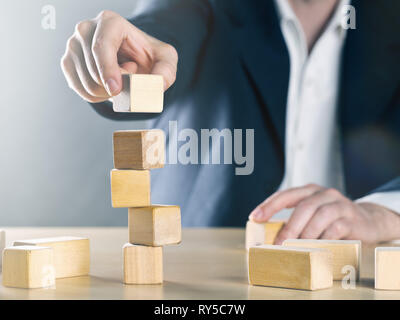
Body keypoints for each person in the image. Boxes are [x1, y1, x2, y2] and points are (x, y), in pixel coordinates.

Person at [60, 0, 400, 243]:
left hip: (350, 276)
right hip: (205, 277)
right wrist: (119, 59)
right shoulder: (203, 7)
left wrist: (383, 211)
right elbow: (161, 28)